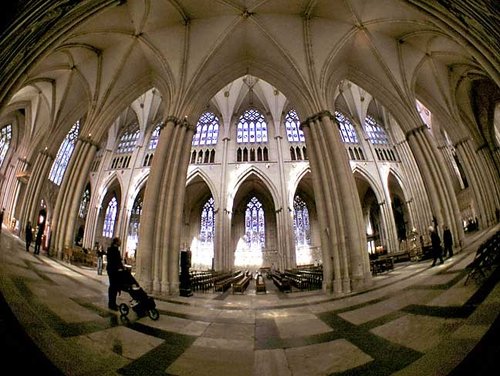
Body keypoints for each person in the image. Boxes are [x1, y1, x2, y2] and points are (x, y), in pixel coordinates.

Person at [106, 237, 124, 310]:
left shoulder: (115, 250)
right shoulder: (112, 250)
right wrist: (120, 267)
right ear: (116, 242)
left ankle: (113, 303)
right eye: (120, 241)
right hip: (112, 270)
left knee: (114, 287)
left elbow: (118, 261)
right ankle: (111, 304)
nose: (121, 243)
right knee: (113, 287)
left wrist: (121, 267)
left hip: (114, 270)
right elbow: (114, 261)